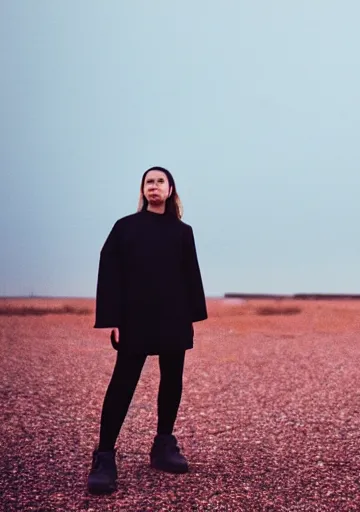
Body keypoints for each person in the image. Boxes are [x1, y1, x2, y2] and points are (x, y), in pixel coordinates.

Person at [87, 166, 208, 494]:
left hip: (173, 316)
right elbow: (109, 270)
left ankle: (163, 446)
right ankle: (104, 456)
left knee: (172, 379)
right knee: (123, 382)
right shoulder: (125, 227)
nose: (154, 186)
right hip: (134, 318)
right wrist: (112, 318)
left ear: (170, 190)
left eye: (160, 181)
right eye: (149, 181)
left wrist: (192, 318)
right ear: (143, 191)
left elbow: (190, 274)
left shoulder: (183, 231)